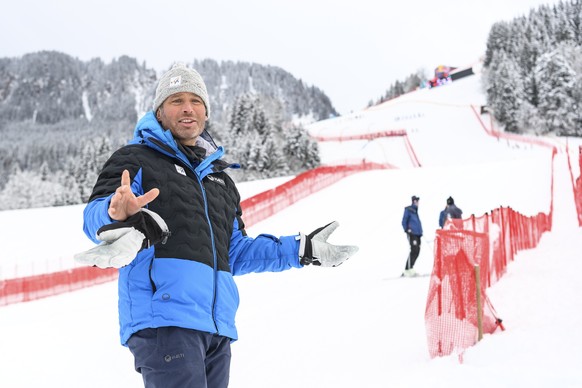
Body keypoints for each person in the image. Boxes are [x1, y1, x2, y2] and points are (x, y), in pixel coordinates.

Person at [74, 63, 359, 388]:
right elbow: (95, 214)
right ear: (160, 111)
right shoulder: (135, 159)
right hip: (164, 320)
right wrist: (116, 213)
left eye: (195, 101)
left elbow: (235, 252)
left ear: (206, 112)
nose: (187, 108)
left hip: (216, 326)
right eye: (176, 100)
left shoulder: (219, 180)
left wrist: (301, 249)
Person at [401, 195, 423, 277]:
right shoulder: (409, 210)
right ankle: (407, 269)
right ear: (414, 201)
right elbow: (404, 221)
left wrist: (420, 232)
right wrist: (407, 229)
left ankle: (411, 268)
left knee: (417, 251)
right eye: (417, 201)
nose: (418, 203)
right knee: (414, 249)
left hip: (418, 234)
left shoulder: (415, 211)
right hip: (412, 233)